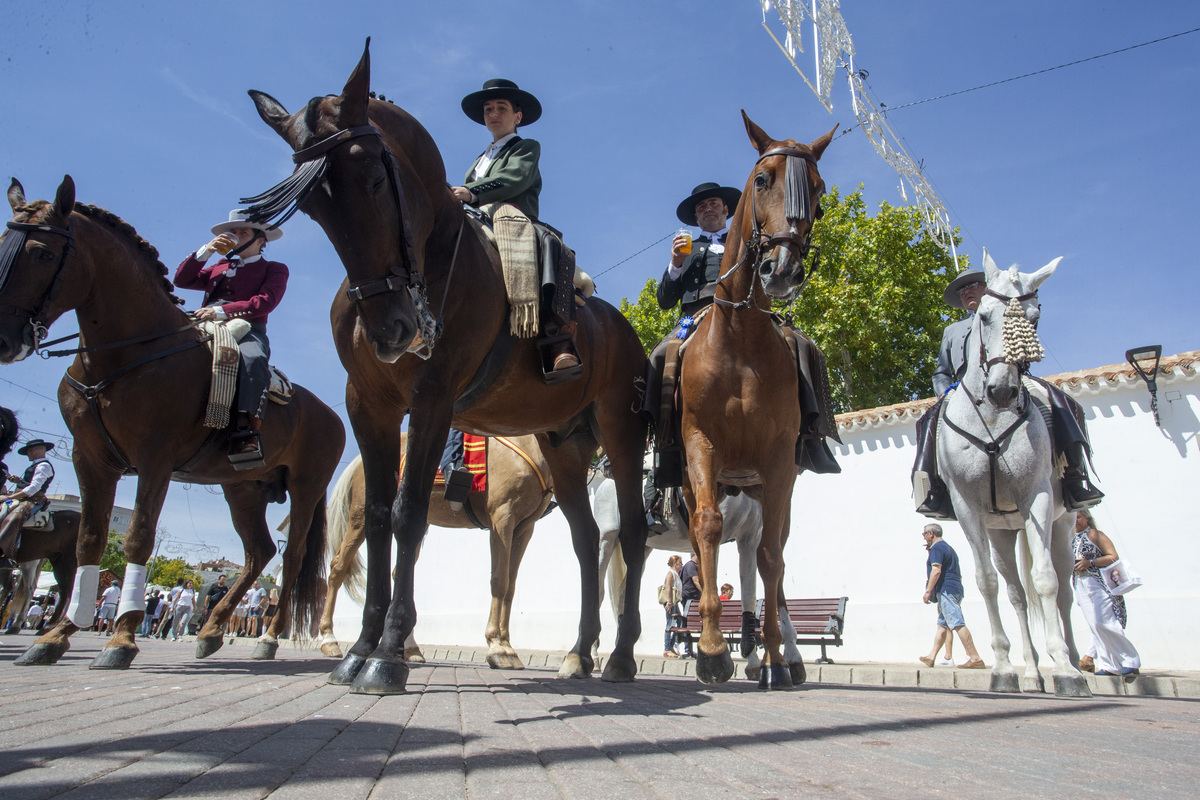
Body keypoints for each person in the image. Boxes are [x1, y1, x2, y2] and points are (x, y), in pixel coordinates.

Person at [642, 183, 840, 528]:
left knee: (803, 345)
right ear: (697, 216)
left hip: (749, 314)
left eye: (713, 204)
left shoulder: (750, 241)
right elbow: (663, 299)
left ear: (726, 210)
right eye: (701, 207)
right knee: (659, 355)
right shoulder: (688, 249)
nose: (708, 210)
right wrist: (675, 265)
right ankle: (660, 440)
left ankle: (810, 435)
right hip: (699, 316)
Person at [912, 269, 1104, 519]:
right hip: (963, 391)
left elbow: (1024, 349)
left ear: (988, 287)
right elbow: (941, 372)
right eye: (962, 290)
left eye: (973, 285)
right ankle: (934, 488)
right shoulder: (952, 331)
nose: (967, 291)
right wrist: (943, 394)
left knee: (1058, 400)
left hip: (1009, 380)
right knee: (929, 421)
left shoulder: (1010, 315)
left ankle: (1074, 477)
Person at [450, 78, 579, 375]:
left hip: (513, 216)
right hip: (475, 217)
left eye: (501, 108)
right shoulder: (479, 160)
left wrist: (471, 193)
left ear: (517, 116)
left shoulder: (526, 147)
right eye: (488, 109)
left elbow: (515, 179)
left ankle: (556, 337)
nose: (493, 114)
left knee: (547, 245)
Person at [173, 211, 288, 465]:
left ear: (260, 240)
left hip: (247, 328)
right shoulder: (220, 266)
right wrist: (206, 251)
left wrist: (220, 310)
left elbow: (265, 302)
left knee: (253, 358)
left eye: (243, 233)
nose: (236, 237)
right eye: (234, 232)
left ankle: (246, 431)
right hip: (204, 323)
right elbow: (181, 279)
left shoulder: (274, 269)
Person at [1072, 510, 1140, 676]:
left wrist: (1091, 562)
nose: (1076, 521)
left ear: (1087, 517)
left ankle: (1130, 660)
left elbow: (1113, 557)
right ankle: (1109, 665)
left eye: (1079, 517)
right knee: (1095, 626)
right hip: (1080, 583)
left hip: (1098, 582)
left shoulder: (1094, 534)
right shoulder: (1070, 538)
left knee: (1105, 622)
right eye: (1073, 518)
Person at [919, 524, 985, 668]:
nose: (924, 537)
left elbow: (936, 570)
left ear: (931, 533)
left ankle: (975, 658)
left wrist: (928, 591)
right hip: (954, 588)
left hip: (946, 589)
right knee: (942, 625)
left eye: (924, 534)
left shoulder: (937, 548)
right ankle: (931, 657)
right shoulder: (948, 548)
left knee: (957, 623)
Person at [0, 438, 56, 559]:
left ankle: (10, 551)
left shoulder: (44, 466)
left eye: (28, 452)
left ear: (33, 450)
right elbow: (28, 484)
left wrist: (9, 497)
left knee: (15, 515)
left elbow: (32, 489)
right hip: (22, 498)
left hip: (32, 500)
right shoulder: (37, 465)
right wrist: (17, 481)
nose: (27, 455)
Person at [677, 552, 702, 659]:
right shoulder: (691, 565)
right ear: (694, 555)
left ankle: (690, 649)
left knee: (691, 623)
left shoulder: (693, 565)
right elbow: (695, 581)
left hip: (693, 597)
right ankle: (688, 649)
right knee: (687, 622)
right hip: (689, 598)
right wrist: (705, 592)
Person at [661, 555, 684, 658]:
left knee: (680, 622)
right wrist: (669, 602)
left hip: (675, 602)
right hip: (671, 602)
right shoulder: (671, 574)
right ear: (675, 564)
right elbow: (668, 587)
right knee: (670, 624)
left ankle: (670, 645)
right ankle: (666, 649)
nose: (681, 565)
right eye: (680, 563)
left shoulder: (676, 574)